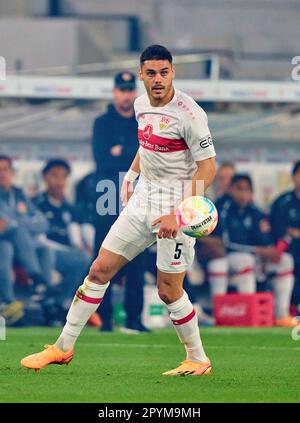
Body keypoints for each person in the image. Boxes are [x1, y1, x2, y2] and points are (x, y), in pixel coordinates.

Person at [20, 44, 217, 376]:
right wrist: (133, 174)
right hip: (143, 201)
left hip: (176, 206)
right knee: (98, 270)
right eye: (151, 73)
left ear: (173, 73)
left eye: (164, 72)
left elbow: (208, 168)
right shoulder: (140, 105)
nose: (157, 79)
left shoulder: (190, 114)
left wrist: (179, 214)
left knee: (169, 291)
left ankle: (197, 359)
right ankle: (61, 348)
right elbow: (146, 142)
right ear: (141, 74)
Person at [92, 71, 148, 333]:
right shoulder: (102, 123)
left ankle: (135, 318)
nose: (126, 95)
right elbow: (102, 161)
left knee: (137, 257)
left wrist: (120, 151)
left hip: (137, 196)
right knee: (104, 257)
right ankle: (104, 319)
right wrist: (130, 154)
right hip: (108, 195)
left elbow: (148, 158)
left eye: (129, 90)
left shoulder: (142, 120)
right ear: (115, 92)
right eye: (121, 90)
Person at [209, 173, 296, 326]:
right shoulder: (223, 207)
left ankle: (281, 315)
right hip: (231, 256)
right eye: (239, 189)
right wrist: (260, 251)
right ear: (230, 190)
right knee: (245, 260)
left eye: (247, 190)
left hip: (254, 256)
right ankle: (249, 315)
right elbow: (228, 242)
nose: (243, 194)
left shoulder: (254, 210)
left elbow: (265, 237)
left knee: (285, 261)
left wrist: (269, 251)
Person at [33, 159, 92, 314]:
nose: (59, 181)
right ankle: (51, 300)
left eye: (63, 177)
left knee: (87, 259)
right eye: (55, 175)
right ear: (45, 177)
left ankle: (62, 302)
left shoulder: (70, 208)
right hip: (44, 251)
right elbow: (38, 238)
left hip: (66, 253)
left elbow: (77, 235)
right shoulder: (36, 204)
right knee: (73, 257)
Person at [0, 155, 53, 296]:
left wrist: (18, 223)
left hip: (24, 243)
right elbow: (3, 225)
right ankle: (35, 277)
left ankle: (44, 295)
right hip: (4, 240)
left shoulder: (18, 195)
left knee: (45, 249)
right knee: (8, 245)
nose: (2, 173)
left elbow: (43, 223)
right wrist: (20, 224)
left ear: (12, 172)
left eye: (5, 169)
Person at [270, 161, 300, 309]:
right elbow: (277, 230)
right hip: (288, 249)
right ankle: (288, 308)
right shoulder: (282, 202)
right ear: (294, 177)